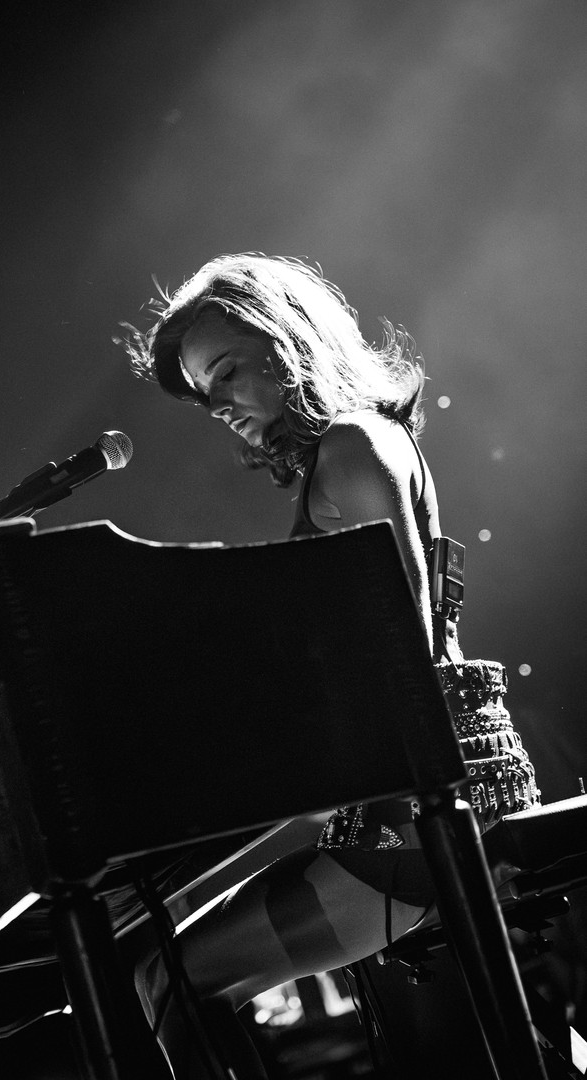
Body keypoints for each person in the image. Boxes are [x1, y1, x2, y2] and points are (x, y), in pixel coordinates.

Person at [120, 253, 540, 1079]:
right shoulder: (358, 446)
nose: (220, 406)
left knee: (166, 980)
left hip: (427, 818)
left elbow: (400, 650)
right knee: (162, 968)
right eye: (207, 395)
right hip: (424, 802)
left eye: (227, 372)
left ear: (286, 339)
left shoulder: (350, 445)